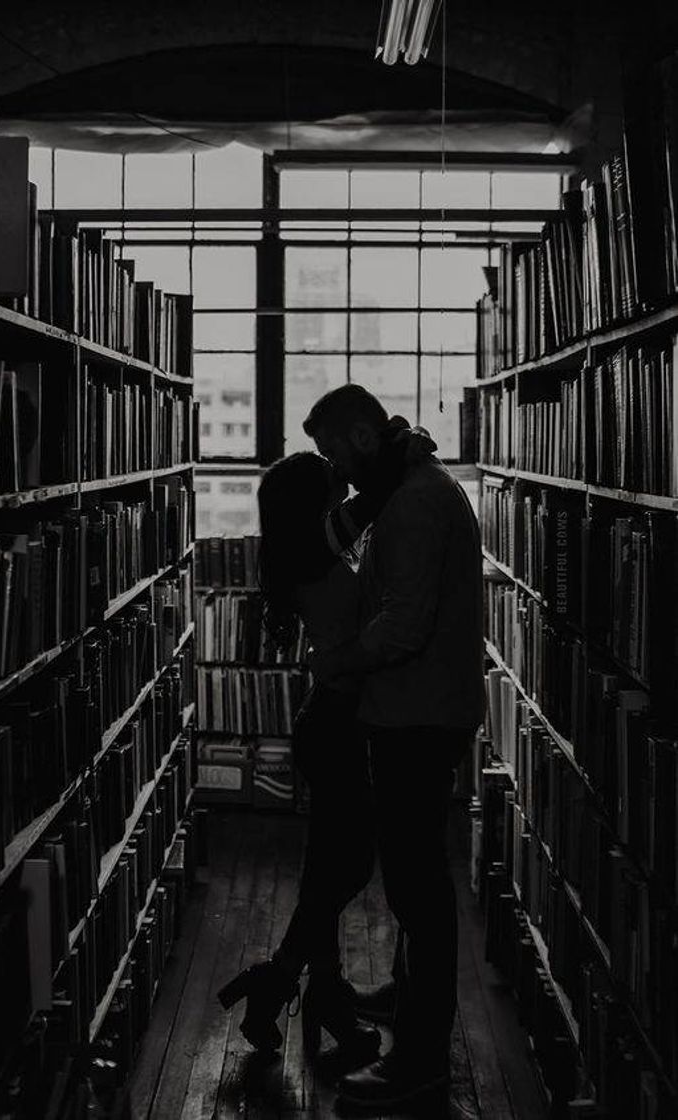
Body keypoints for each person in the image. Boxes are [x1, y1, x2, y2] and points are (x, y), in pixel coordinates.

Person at [218, 425, 432, 1063]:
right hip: (335, 726)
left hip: (335, 722)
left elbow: (360, 515)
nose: (340, 477)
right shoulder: (311, 549)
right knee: (350, 864)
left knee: (326, 869)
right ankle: (284, 978)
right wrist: (401, 456)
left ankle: (322, 993)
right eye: (327, 475)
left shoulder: (306, 549)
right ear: (308, 501)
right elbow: (367, 504)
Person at [303, 384, 485, 1111]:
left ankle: (418, 1062)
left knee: (418, 887)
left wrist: (338, 660)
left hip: (417, 716)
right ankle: (410, 1004)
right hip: (423, 709)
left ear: (364, 437)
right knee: (417, 878)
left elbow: (404, 625)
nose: (335, 471)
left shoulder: (411, 504)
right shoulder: (408, 489)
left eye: (334, 453)